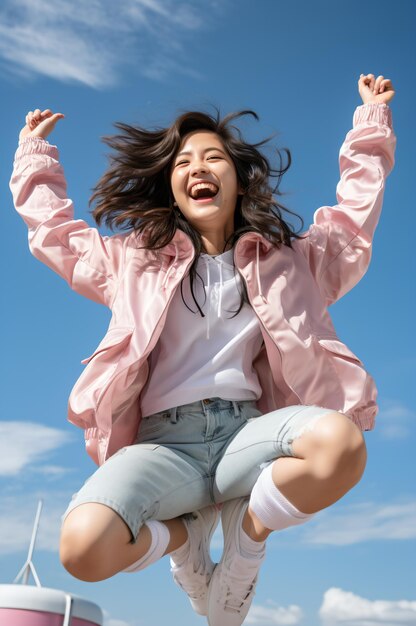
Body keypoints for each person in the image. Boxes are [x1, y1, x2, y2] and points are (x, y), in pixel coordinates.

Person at [10, 73, 396, 626]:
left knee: (341, 442)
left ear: (237, 177)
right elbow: (55, 234)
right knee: (83, 549)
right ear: (170, 184)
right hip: (165, 447)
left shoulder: (293, 260)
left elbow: (353, 219)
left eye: (213, 157)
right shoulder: (131, 262)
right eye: (182, 162)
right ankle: (185, 536)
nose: (197, 168)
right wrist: (34, 156)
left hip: (248, 435)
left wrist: (371, 124)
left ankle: (247, 537)